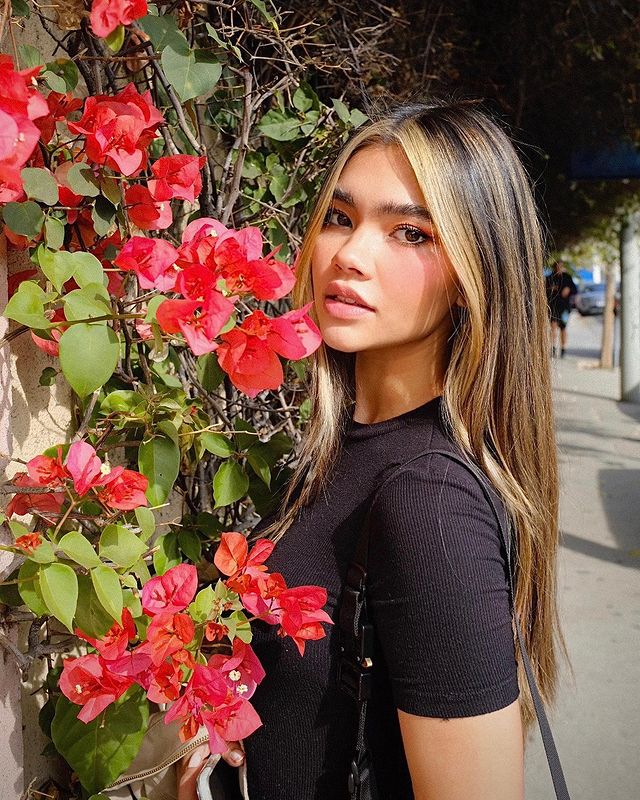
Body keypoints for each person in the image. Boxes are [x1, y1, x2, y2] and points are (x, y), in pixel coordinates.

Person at [179, 99, 565, 800]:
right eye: (339, 217)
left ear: (473, 276)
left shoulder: (425, 500)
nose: (351, 255)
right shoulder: (343, 453)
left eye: (410, 232)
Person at [545, 260, 578, 358]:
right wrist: (551, 289)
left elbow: (575, 290)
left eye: (561, 266)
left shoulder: (567, 278)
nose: (559, 268)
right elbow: (543, 291)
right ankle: (553, 348)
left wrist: (568, 290)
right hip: (553, 306)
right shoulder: (550, 278)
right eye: (557, 266)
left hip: (564, 307)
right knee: (553, 327)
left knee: (563, 328)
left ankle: (563, 349)